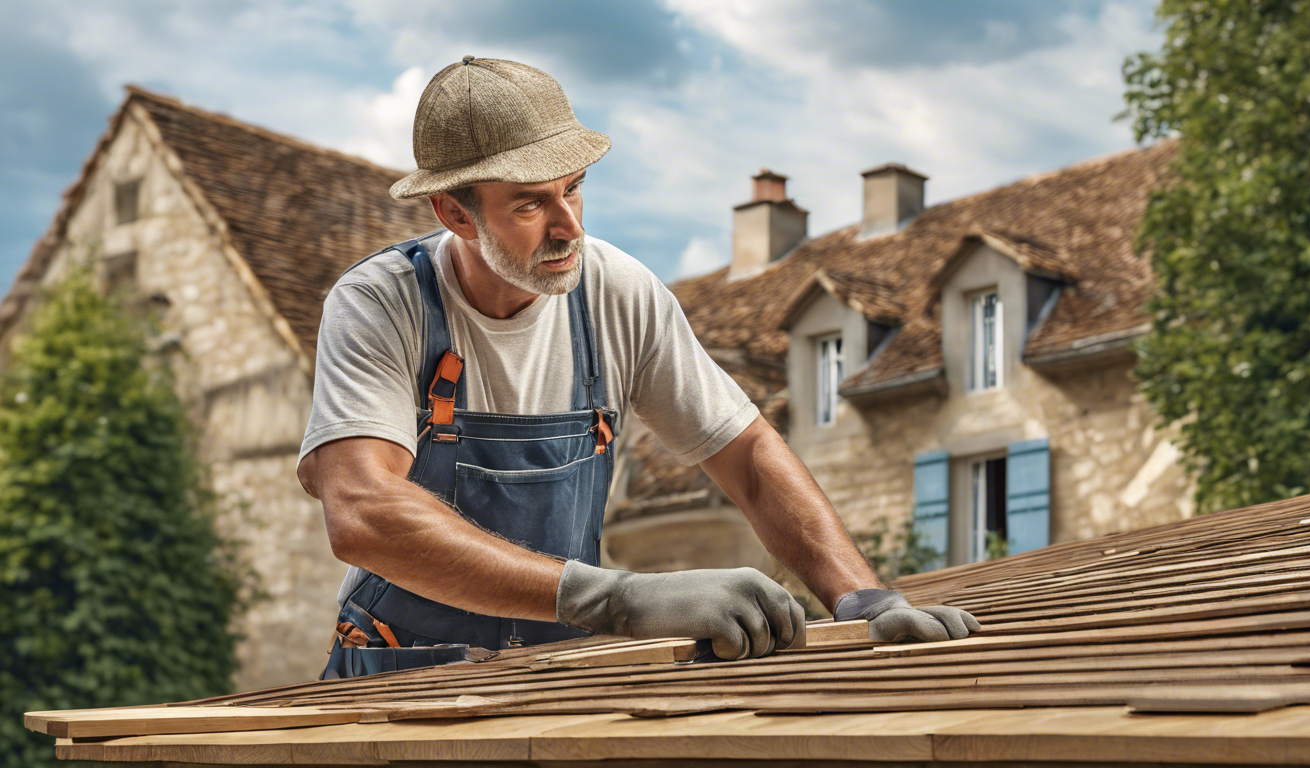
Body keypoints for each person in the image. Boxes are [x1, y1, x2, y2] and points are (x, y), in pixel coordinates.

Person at [297, 56, 978, 679]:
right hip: (396, 677)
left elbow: (746, 453)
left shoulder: (616, 293)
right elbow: (364, 510)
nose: (568, 227)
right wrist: (617, 596)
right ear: (454, 211)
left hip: (558, 674)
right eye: (531, 203)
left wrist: (859, 596)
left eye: (574, 189)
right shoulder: (384, 304)